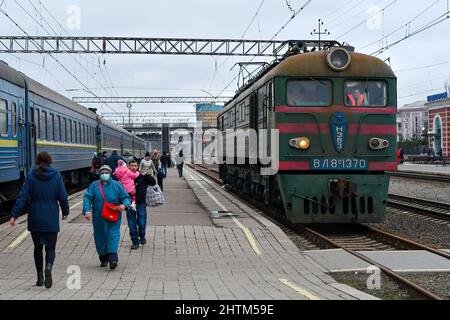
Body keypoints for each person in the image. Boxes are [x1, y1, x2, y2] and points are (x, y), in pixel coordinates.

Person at [9, 151, 69, 288]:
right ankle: (48, 266)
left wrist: (14, 215)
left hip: (35, 216)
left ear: (37, 161)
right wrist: (65, 211)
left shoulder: (31, 176)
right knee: (51, 248)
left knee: (37, 248)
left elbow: (22, 197)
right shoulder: (56, 175)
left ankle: (40, 278)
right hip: (51, 217)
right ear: (50, 161)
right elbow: (63, 197)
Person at [82, 165, 130, 269]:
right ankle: (103, 257)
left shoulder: (117, 185)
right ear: (99, 174)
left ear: (110, 173)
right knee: (100, 236)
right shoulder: (94, 186)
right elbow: (87, 198)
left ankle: (113, 258)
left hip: (114, 215)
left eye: (106, 172)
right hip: (99, 216)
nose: (104, 174)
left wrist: (123, 205)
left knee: (113, 235)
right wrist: (86, 211)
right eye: (102, 173)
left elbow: (126, 197)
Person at [126, 160, 156, 250]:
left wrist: (146, 175)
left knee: (142, 223)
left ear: (138, 166)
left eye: (135, 165)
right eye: (132, 165)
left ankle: (142, 236)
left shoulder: (141, 176)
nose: (134, 167)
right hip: (129, 203)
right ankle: (135, 241)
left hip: (141, 203)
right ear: (128, 166)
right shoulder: (126, 176)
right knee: (132, 224)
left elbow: (153, 182)